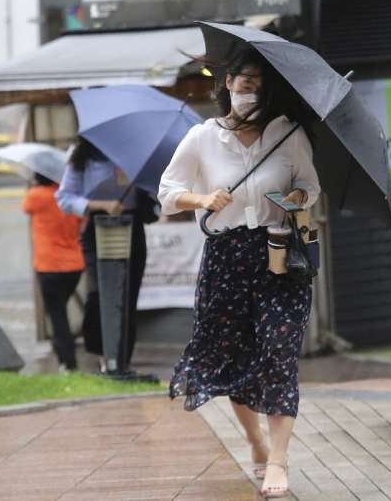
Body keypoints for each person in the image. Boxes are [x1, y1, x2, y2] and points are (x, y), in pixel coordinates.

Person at [157, 48, 320, 498]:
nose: (252, 92)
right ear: (228, 83)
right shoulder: (202, 138)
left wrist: (299, 199)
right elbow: (168, 192)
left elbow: (311, 184)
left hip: (278, 254)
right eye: (245, 82)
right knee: (233, 357)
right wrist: (202, 199)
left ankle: (279, 460)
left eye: (261, 85)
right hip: (226, 257)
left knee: (279, 350)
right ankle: (254, 440)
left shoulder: (289, 135)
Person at [55, 139, 156, 372]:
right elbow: (65, 198)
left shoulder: (134, 153)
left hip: (132, 226)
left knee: (128, 293)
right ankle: (103, 353)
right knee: (101, 292)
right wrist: (99, 204)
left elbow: (154, 190)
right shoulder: (81, 156)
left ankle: (123, 359)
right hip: (99, 226)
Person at [22, 171, 85, 371]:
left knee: (57, 316)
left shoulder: (36, 195)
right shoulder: (70, 197)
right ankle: (65, 356)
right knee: (60, 312)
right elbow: (80, 223)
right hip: (74, 265)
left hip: (48, 265)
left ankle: (68, 363)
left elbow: (26, 208)